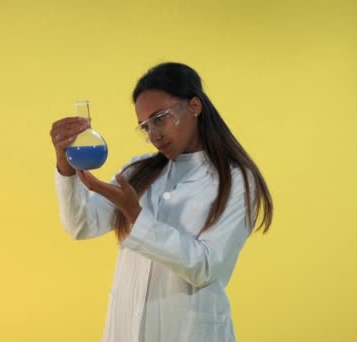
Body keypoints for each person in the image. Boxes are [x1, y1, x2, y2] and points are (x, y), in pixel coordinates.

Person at [50, 62, 273, 342]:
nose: (154, 134)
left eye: (160, 119)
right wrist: (66, 166)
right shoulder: (138, 171)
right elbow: (81, 225)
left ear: (194, 106)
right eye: (145, 126)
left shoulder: (237, 181)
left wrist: (135, 214)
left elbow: (205, 267)